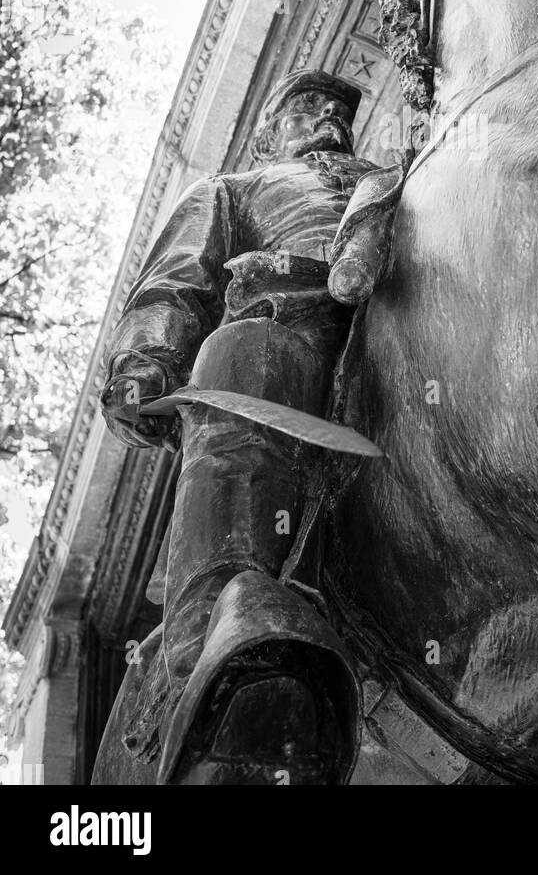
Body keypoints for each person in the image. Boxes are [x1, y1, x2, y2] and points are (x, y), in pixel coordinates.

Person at [98, 70, 377, 785]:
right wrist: (145, 362)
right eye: (306, 105)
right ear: (266, 131)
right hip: (291, 319)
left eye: (340, 108)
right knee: (238, 354)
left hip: (408, 312)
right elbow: (173, 284)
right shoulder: (232, 190)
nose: (327, 116)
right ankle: (209, 644)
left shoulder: (395, 176)